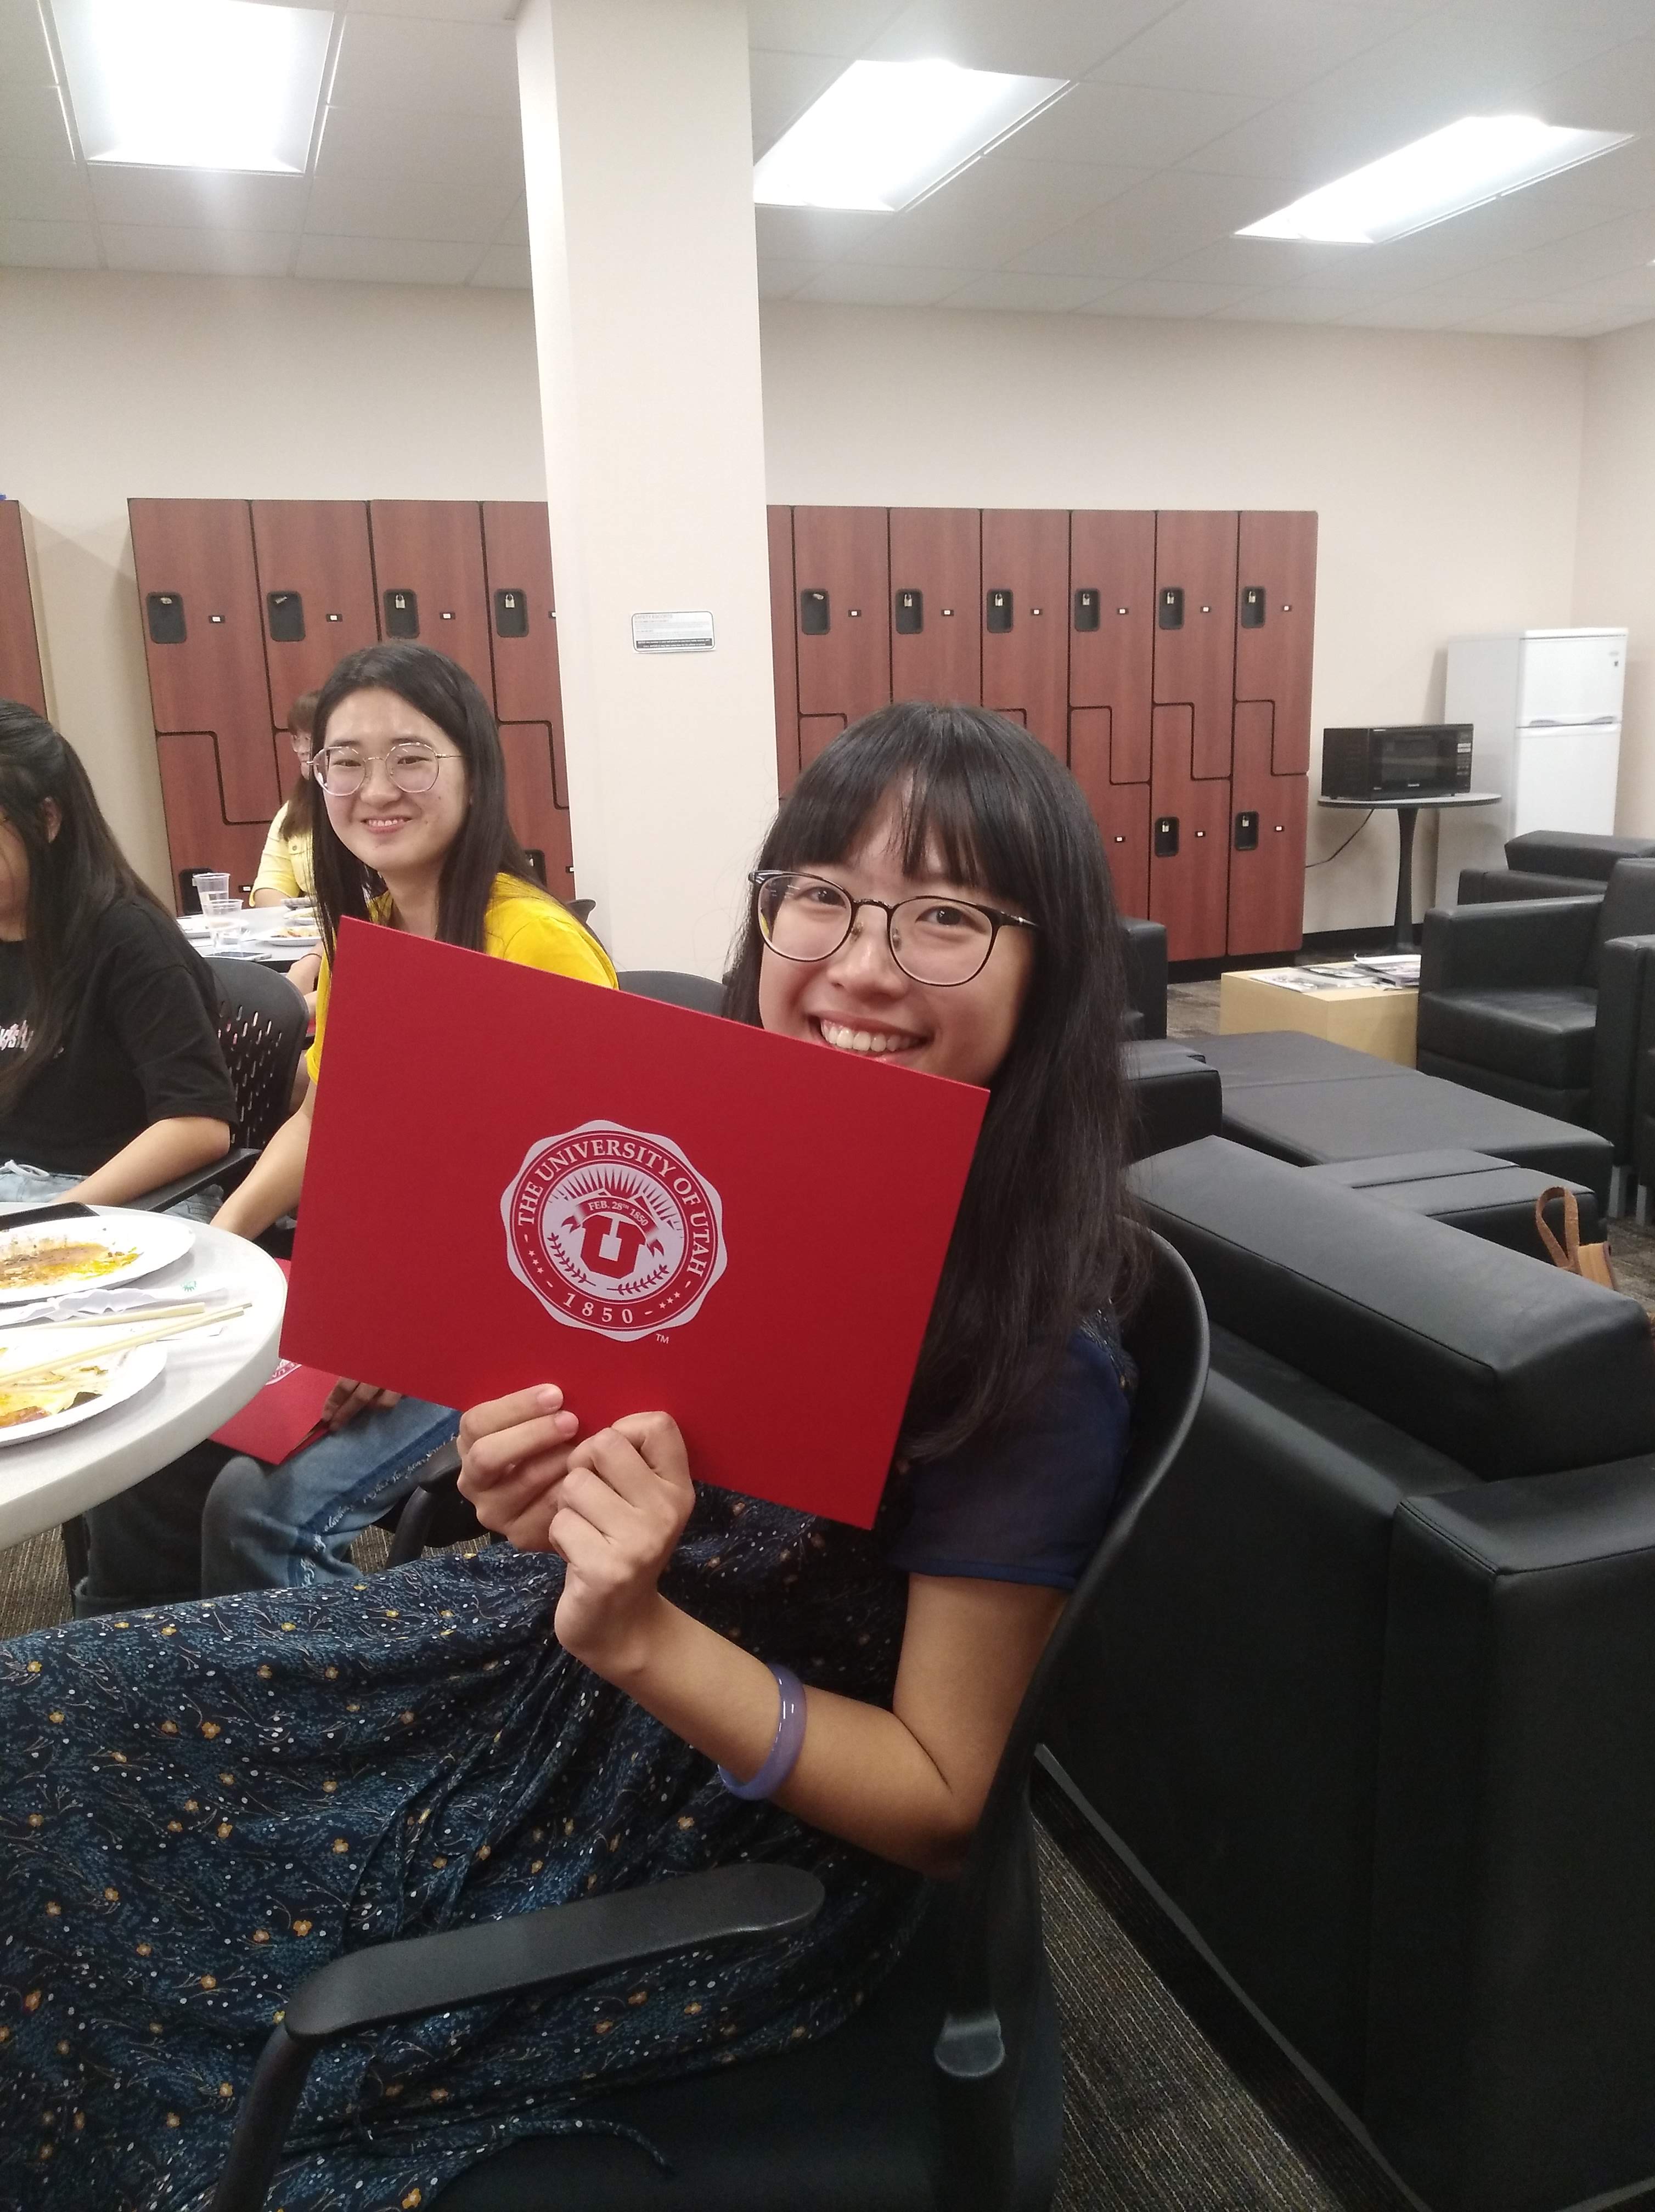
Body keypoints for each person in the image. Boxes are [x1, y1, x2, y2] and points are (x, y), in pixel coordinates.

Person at [0, 702, 1141, 2212]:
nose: (864, 966)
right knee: (39, 1719)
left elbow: (940, 1798)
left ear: (1048, 966)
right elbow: (631, 1511)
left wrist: (639, 1631)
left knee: (148, 1970)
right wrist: (530, 1505)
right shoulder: (742, 1193)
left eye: (948, 918)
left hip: (699, 1816)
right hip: (538, 1672)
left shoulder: (1030, 1350)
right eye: (824, 896)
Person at [76, 642, 617, 1615]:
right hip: (387, 1293)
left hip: (509, 1320)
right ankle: (164, 1678)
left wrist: (403, 1325)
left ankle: (335, 1737)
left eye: (411, 756)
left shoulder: (532, 942)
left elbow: (571, 1207)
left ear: (474, 768)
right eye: (345, 760)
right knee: (149, 1422)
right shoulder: (368, 932)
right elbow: (324, 1118)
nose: (377, 788)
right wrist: (220, 1237)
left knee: (258, 1513)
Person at [0, 698, 233, 1210]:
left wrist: (55, 1216)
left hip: (124, 1200)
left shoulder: (129, 938)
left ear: (47, 819)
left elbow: (198, 1126)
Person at [251, 689, 322, 1009]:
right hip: (313, 946)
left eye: (314, 736)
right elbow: (268, 888)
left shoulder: (366, 811)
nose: (304, 748)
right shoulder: (293, 813)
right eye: (298, 738)